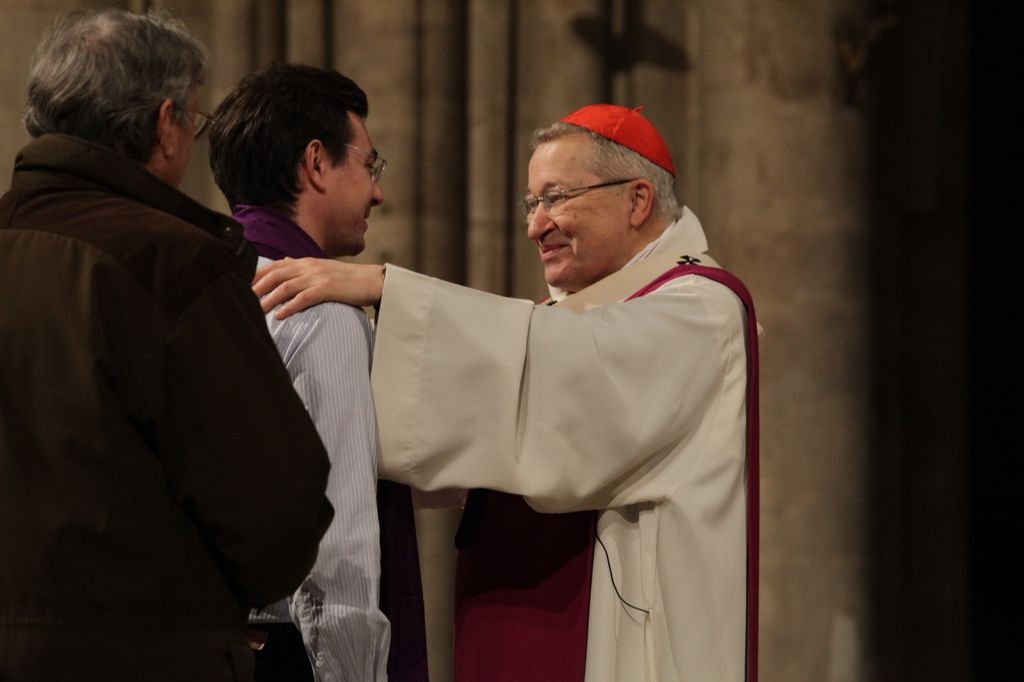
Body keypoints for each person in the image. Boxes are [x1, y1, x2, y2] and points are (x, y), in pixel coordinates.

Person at [253, 104, 761, 682]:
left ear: (638, 200)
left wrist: (384, 286)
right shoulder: (572, 319)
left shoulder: (701, 308)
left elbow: (575, 374)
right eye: (531, 203)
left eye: (556, 197)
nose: (535, 225)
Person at [0, 10, 334, 682]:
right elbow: (276, 509)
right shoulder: (174, 264)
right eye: (195, 121)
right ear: (164, 124)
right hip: (140, 654)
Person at [208, 62, 427, 682]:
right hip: (295, 651)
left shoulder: (194, 286)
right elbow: (340, 544)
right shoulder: (321, 316)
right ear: (316, 163)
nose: (378, 193)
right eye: (369, 164)